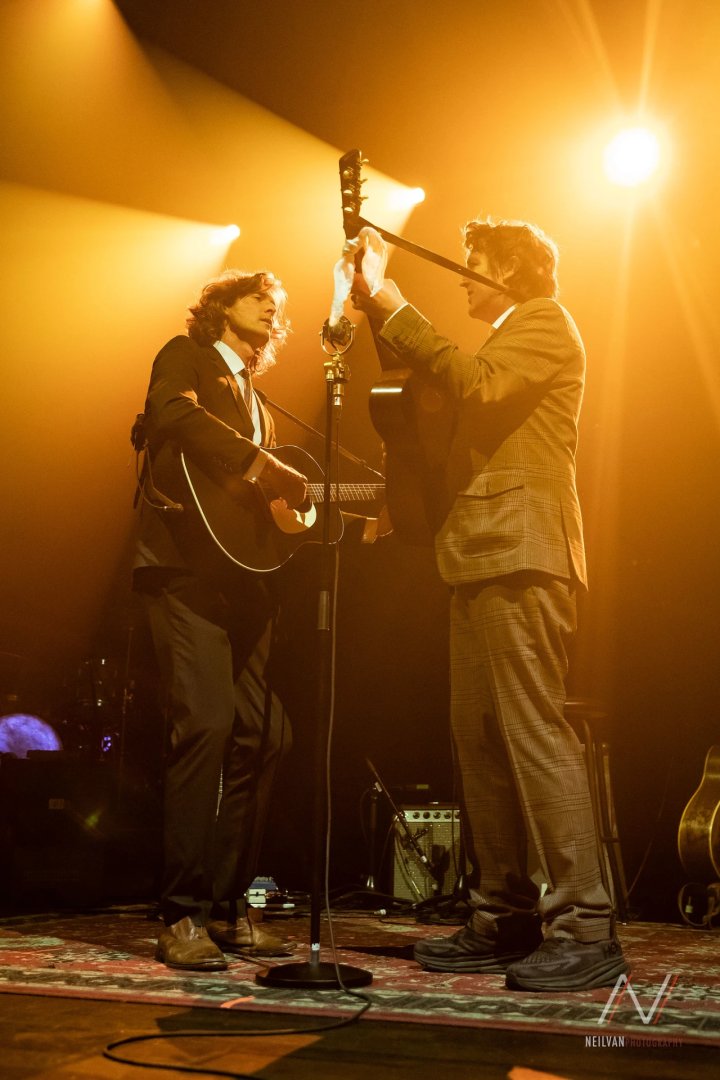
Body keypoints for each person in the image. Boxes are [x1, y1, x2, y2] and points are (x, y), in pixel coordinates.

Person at [351, 219, 629, 992]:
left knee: (534, 735)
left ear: (512, 272)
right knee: (478, 742)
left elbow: (473, 383)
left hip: (522, 550)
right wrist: (374, 305)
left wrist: (401, 306)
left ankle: (583, 923)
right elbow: (433, 399)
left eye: (473, 267)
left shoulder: (543, 323)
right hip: (474, 555)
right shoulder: (503, 337)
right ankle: (503, 914)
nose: (465, 280)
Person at [133, 269, 309, 971]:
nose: (271, 305)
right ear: (219, 308)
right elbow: (171, 418)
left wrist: (332, 515)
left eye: (277, 301)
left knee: (265, 736)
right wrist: (260, 464)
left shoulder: (257, 398)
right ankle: (180, 915)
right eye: (256, 294)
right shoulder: (186, 357)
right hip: (182, 574)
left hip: (242, 585)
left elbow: (248, 501)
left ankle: (233, 906)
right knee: (203, 726)